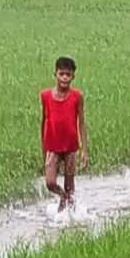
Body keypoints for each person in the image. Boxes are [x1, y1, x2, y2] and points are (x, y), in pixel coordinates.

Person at [40, 57, 89, 211]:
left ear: (73, 76)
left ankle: (69, 212)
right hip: (52, 146)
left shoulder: (77, 96)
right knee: (50, 182)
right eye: (61, 74)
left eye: (68, 74)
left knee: (69, 184)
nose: (65, 78)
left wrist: (84, 149)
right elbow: (44, 120)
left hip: (70, 146)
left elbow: (81, 122)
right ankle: (63, 197)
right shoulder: (46, 96)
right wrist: (43, 147)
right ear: (55, 74)